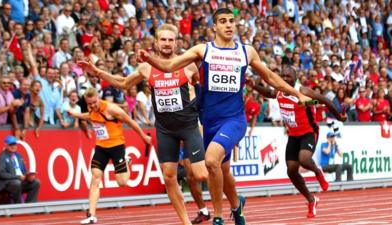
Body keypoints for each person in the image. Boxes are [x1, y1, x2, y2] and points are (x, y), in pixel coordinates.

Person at [137, 8, 311, 225]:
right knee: (222, 171)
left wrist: (296, 93)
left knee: (210, 161)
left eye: (231, 21)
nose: (229, 25)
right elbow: (169, 65)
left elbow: (270, 77)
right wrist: (149, 58)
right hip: (209, 121)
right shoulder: (203, 50)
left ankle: (218, 216)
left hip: (234, 119)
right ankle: (237, 206)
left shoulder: (246, 52)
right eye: (223, 21)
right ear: (214, 27)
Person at [78, 24, 210, 225]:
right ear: (156, 43)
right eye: (163, 40)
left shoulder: (189, 64)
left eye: (170, 40)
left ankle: (227, 201)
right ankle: (185, 222)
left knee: (200, 174)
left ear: (176, 42)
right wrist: (98, 72)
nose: (166, 44)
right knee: (168, 177)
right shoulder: (146, 68)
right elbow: (123, 83)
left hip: (188, 126)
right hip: (165, 129)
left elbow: (207, 84)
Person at [250, 66, 347, 218]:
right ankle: (311, 199)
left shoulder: (304, 92)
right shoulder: (280, 91)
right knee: (291, 170)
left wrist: (339, 117)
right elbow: (269, 93)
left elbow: (325, 101)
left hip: (309, 132)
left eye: (288, 76)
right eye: (283, 75)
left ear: (295, 77)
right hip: (293, 135)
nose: (285, 78)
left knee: (304, 159)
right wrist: (253, 85)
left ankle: (317, 171)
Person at [68, 88, 151, 224]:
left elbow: (130, 122)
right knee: (95, 178)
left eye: (95, 102)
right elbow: (89, 116)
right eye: (90, 104)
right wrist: (75, 114)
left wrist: (143, 136)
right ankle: (91, 215)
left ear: (98, 98)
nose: (93, 106)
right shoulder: (91, 109)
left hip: (116, 146)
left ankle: (126, 161)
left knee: (122, 182)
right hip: (101, 147)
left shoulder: (112, 109)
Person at [0, 135, 40, 203]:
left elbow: (24, 170)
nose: (13, 146)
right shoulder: (1, 157)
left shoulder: (18, 156)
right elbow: (0, 173)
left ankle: (30, 205)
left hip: (19, 182)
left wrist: (28, 176)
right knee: (16, 183)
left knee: (36, 182)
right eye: (11, 144)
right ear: (6, 145)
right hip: (5, 183)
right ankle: (18, 206)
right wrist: (17, 177)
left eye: (14, 144)